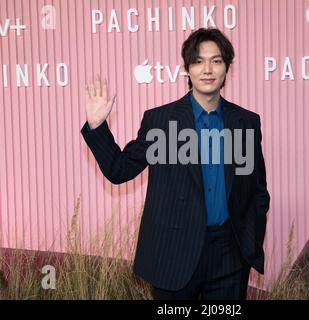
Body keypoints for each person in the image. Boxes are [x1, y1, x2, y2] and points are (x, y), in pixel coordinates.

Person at [81, 27, 270, 300]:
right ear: (187, 69)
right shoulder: (162, 121)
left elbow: (257, 190)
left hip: (230, 257)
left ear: (227, 68)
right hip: (174, 254)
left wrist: (248, 241)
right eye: (198, 61)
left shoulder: (246, 122)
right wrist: (97, 127)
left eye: (216, 61)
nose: (207, 69)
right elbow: (119, 170)